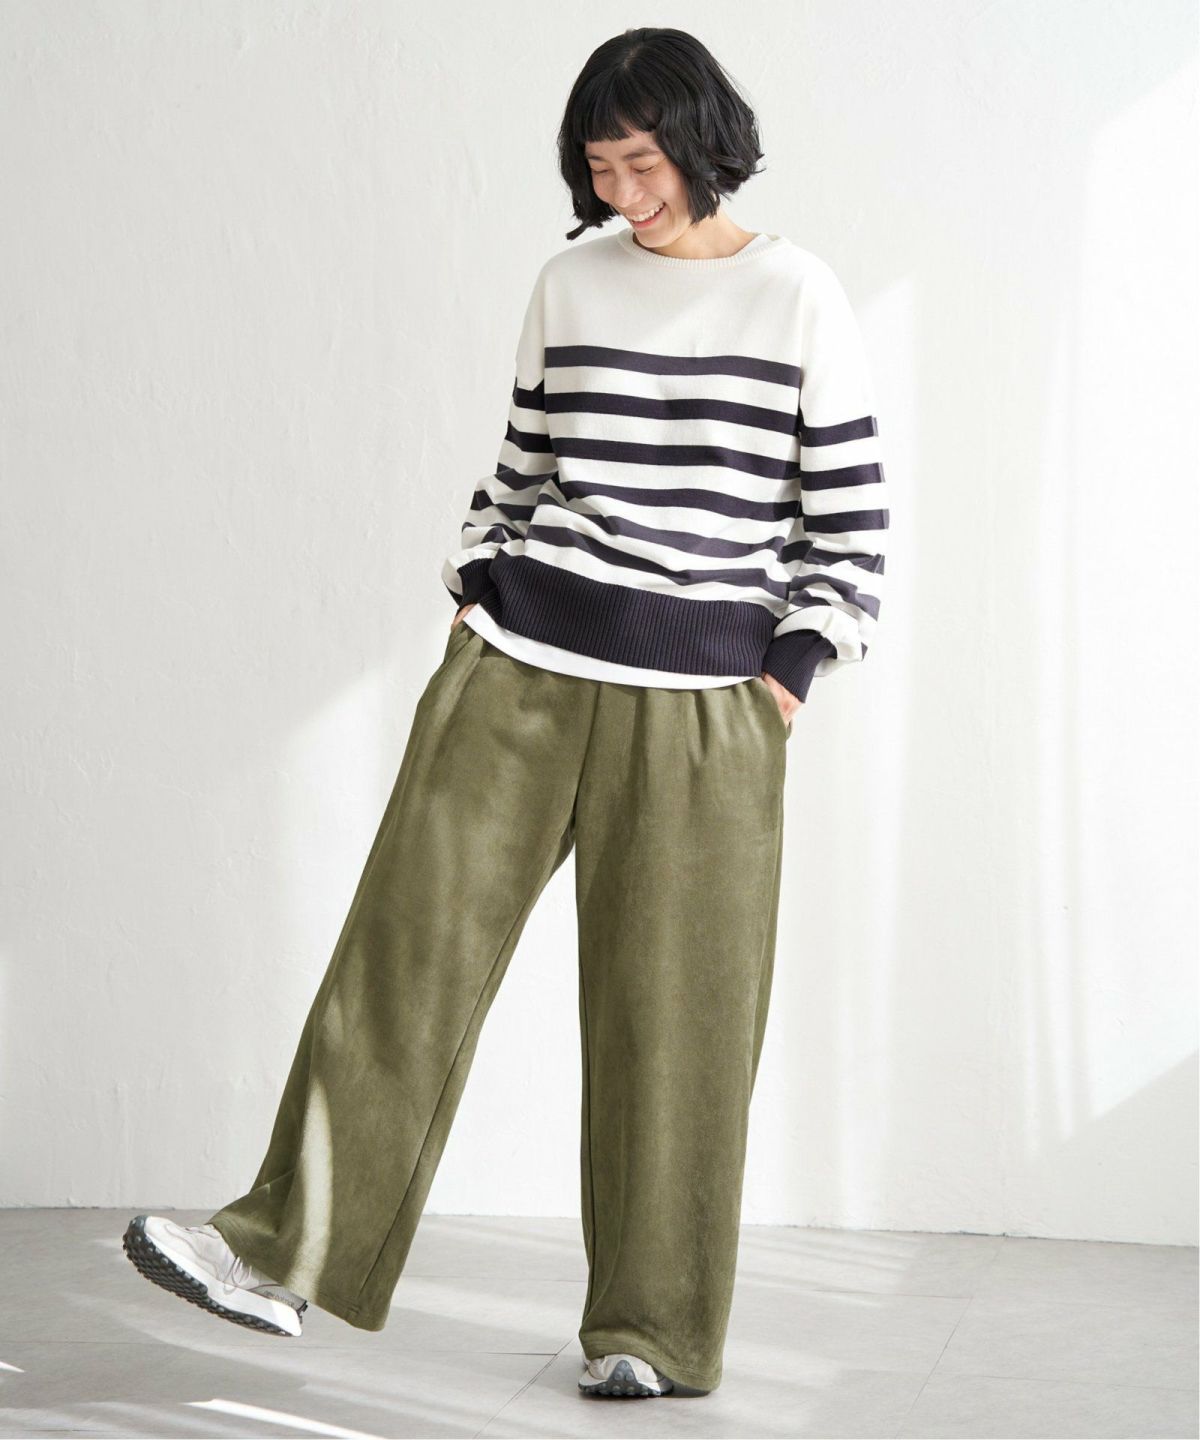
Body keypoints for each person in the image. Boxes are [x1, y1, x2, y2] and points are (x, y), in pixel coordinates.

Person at [123, 25, 887, 1400]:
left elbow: (848, 525)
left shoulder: (799, 297)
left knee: (680, 1026)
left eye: (643, 164)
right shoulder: (569, 282)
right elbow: (522, 467)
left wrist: (788, 674)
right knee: (404, 955)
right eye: (600, 169)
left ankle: (652, 1332)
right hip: (523, 663)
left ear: (702, 146)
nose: (623, 195)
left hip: (707, 708)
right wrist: (476, 581)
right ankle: (279, 1255)